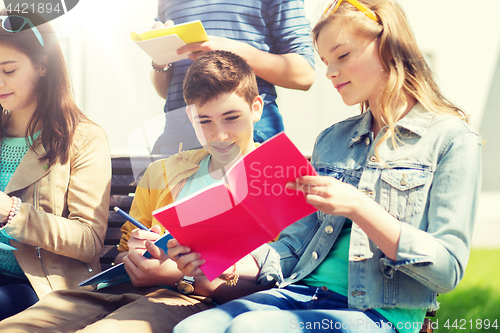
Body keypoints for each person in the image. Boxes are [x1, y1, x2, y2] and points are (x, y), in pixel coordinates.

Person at [170, 1, 482, 332]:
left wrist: (359, 207)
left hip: (380, 314)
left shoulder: (451, 140)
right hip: (301, 294)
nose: (330, 72)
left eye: (342, 56)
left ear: (388, 45)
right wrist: (221, 258)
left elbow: (448, 269)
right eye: (325, 62)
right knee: (191, 329)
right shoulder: (332, 141)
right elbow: (291, 248)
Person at [0, 50, 272, 332]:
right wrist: (135, 255)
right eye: (205, 121)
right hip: (120, 292)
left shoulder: (279, 179)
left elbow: (278, 283)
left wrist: (174, 276)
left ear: (256, 108)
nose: (219, 135)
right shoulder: (163, 173)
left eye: (231, 118)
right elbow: (120, 257)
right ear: (191, 117)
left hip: (192, 301)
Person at [0, 12, 111, 320]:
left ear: (42, 66)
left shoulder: (83, 138)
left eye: (8, 70)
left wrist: (12, 213)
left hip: (41, 287)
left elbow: (88, 241)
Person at [150, 0, 316, 156]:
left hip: (249, 131)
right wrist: (160, 61)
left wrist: (231, 51)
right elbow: (165, 91)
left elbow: (304, 73)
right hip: (178, 134)